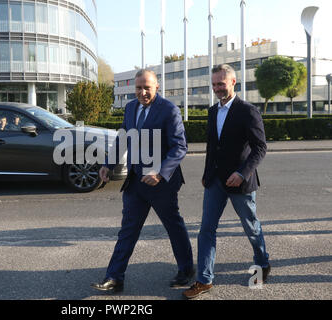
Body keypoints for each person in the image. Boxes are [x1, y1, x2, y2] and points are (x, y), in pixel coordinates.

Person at [90, 69, 194, 293]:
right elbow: (123, 139)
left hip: (162, 183)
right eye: (139, 87)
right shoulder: (130, 108)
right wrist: (108, 164)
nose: (143, 92)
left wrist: (160, 172)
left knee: (173, 227)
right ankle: (114, 277)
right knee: (127, 230)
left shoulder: (169, 110)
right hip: (136, 182)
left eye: (147, 87)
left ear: (157, 86)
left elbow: (180, 146)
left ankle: (186, 271)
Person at [182, 64, 270, 299]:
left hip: (240, 182)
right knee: (206, 230)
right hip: (215, 182)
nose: (217, 88)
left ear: (233, 82)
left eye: (221, 83)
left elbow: (260, 148)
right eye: (214, 84)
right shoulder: (212, 112)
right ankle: (204, 279)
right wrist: (206, 172)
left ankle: (262, 262)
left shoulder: (248, 111)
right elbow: (213, 147)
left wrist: (242, 173)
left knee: (251, 226)